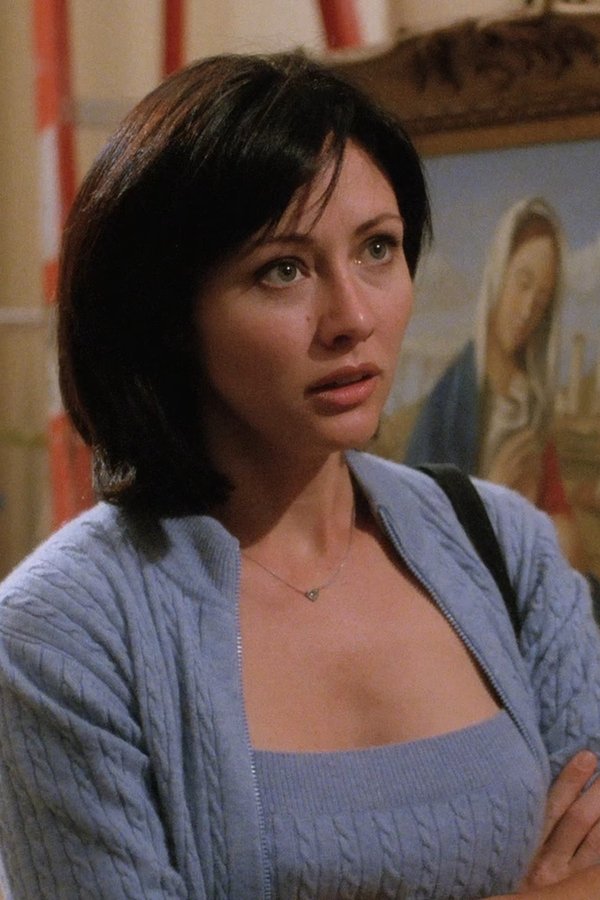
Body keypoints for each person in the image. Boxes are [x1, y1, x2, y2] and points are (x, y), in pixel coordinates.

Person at [0, 52, 599, 900]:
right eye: (282, 269)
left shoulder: (504, 547)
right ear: (167, 312)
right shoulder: (64, 633)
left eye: (378, 248)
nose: (352, 317)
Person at [405, 197, 587, 570]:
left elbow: (554, 508)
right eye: (523, 283)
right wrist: (490, 492)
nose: (527, 310)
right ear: (498, 275)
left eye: (542, 298)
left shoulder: (531, 399)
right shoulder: (451, 400)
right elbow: (416, 525)